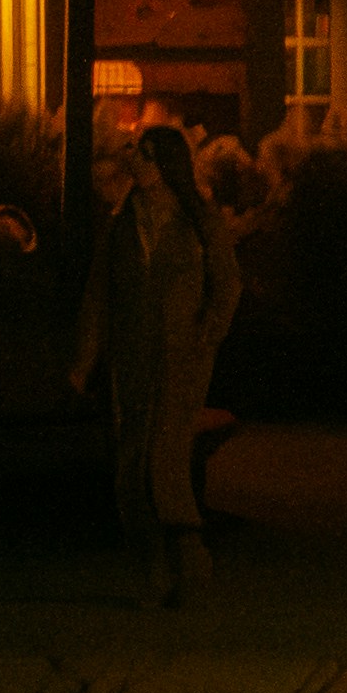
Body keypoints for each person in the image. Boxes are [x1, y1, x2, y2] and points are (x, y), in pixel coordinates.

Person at [71, 118, 244, 606]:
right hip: (131, 356)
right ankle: (152, 563)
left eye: (148, 155)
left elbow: (227, 284)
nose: (139, 163)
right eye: (137, 154)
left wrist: (206, 335)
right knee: (129, 465)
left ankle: (189, 557)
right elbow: (99, 295)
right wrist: (85, 359)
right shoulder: (121, 222)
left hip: (181, 356)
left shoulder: (197, 219)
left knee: (165, 457)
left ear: (168, 163)